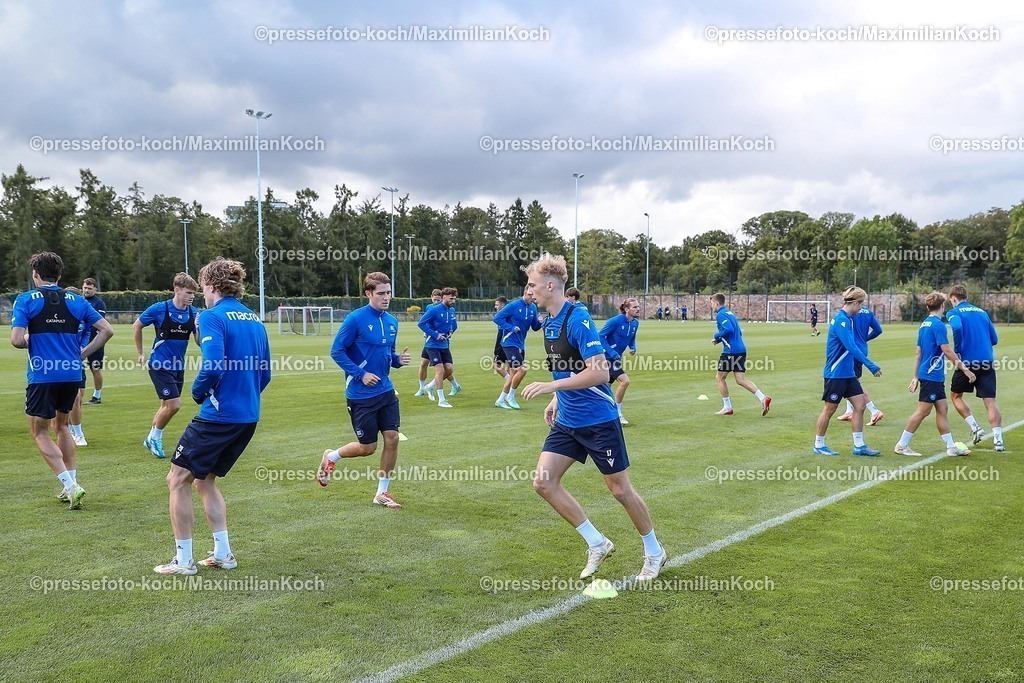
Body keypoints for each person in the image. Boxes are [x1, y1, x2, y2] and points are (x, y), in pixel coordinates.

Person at [521, 254, 666, 582]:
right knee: (544, 483)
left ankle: (655, 552)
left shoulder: (578, 317)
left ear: (549, 285)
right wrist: (558, 398)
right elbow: (567, 366)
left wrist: (551, 386)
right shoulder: (549, 322)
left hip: (598, 420)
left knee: (620, 491)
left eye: (532, 285)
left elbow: (600, 372)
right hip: (568, 420)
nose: (528, 291)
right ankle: (597, 543)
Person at [154, 258, 271, 575]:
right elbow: (266, 374)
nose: (202, 294)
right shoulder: (254, 319)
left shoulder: (211, 317)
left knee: (177, 479)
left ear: (213, 286)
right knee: (205, 480)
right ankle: (223, 554)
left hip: (218, 417)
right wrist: (243, 398)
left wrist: (197, 392)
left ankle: (183, 560)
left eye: (203, 287)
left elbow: (214, 364)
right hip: (247, 416)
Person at [10, 252, 114, 508]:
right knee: (62, 427)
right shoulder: (77, 300)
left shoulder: (25, 300)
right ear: (59, 276)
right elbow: (106, 330)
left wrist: (27, 341)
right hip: (71, 373)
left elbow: (16, 339)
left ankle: (70, 485)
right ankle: (70, 482)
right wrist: (80, 354)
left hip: (43, 375)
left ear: (36, 274)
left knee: (40, 432)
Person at [318, 272, 411, 509]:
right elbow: (337, 351)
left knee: (392, 438)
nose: (386, 297)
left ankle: (382, 492)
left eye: (389, 292)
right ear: (368, 293)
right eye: (381, 293)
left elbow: (388, 354)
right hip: (360, 394)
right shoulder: (355, 319)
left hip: (386, 391)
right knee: (367, 448)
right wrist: (361, 374)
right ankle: (332, 456)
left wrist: (398, 360)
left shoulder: (392, 321)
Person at [894, 292, 975, 457]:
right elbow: (946, 350)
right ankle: (902, 445)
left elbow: (918, 352)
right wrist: (965, 369)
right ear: (943, 306)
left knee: (942, 409)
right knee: (923, 411)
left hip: (931, 375)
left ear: (927, 307)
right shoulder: (938, 325)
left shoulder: (924, 324)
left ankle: (951, 447)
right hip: (931, 375)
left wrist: (915, 376)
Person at [133, 273, 200, 458]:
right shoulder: (159, 309)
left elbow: (199, 340)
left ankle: (151, 437)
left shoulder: (194, 313)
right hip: (159, 364)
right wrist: (140, 353)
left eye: (194, 293)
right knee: (174, 405)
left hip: (178, 366)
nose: (192, 296)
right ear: (177, 290)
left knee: (166, 404)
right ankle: (155, 438)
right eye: (188, 292)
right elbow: (137, 325)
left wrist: (201, 331)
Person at [813, 286, 883, 456]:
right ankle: (819, 445)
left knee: (860, 405)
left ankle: (859, 445)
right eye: (861, 305)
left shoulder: (849, 319)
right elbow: (851, 346)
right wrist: (870, 364)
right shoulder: (841, 320)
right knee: (829, 409)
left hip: (848, 373)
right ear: (856, 303)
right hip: (836, 374)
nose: (861, 309)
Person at [947, 285, 1003, 451]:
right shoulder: (982, 312)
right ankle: (998, 441)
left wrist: (958, 348)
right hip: (986, 361)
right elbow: (994, 339)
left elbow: (956, 327)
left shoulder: (954, 312)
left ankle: (975, 428)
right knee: (990, 401)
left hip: (967, 362)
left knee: (956, 396)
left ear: (953, 298)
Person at [710, 293, 771, 416]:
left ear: (717, 303)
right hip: (741, 349)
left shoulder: (720, 315)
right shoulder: (729, 313)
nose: (711, 306)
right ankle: (763, 398)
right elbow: (735, 332)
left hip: (730, 352)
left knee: (720, 377)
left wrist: (716, 336)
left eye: (711, 303)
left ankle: (727, 407)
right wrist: (720, 340)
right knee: (740, 379)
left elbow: (728, 330)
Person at [836, 295, 884, 425]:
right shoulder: (867, 311)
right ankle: (849, 411)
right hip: (862, 348)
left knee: (853, 381)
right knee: (850, 379)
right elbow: (878, 330)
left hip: (852, 351)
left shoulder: (848, 314)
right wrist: (865, 339)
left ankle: (874, 411)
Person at [493, 286, 542, 409]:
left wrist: (541, 322)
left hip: (520, 344)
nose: (533, 298)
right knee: (523, 369)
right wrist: (510, 328)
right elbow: (497, 318)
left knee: (514, 373)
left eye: (534, 295)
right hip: (509, 342)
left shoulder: (533, 308)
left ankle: (500, 400)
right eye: (531, 295)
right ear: (525, 293)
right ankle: (511, 396)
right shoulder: (514, 305)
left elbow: (535, 327)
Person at [416, 286, 461, 408]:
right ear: (444, 297)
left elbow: (453, 325)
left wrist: (451, 331)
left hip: (444, 345)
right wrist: (435, 334)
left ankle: (429, 387)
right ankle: (441, 400)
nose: (453, 301)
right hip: (432, 344)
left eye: (454, 298)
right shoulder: (434, 310)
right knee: (440, 370)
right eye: (451, 298)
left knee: (449, 369)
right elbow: (421, 323)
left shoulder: (450, 311)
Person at [599, 297, 640, 425]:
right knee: (625, 381)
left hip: (616, 359)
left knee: (605, 387)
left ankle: (601, 413)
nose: (638, 309)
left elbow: (631, 338)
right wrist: (611, 352)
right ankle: (618, 413)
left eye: (638, 306)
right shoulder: (615, 321)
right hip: (606, 357)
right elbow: (600, 336)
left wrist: (633, 347)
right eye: (635, 307)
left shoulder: (635, 323)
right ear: (626, 309)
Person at [63, 286, 90, 447]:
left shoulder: (81, 316)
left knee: (78, 399)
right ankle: (77, 433)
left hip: (77, 360)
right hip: (64, 361)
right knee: (75, 397)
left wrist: (82, 347)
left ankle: (71, 429)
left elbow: (87, 332)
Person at [81, 278, 107, 404]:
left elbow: (99, 324)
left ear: (95, 289)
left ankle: (97, 396)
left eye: (90, 288)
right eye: (85, 287)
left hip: (94, 341)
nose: (86, 290)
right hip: (79, 341)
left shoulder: (99, 303)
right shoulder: (79, 300)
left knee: (94, 368)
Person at [414, 289, 442, 399]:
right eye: (435, 300)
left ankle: (454, 385)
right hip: (430, 341)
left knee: (444, 367)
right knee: (423, 363)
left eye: (439, 300)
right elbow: (425, 323)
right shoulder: (429, 308)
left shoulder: (446, 309)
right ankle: (421, 388)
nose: (436, 302)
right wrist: (427, 333)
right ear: (431, 297)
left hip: (440, 341)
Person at [492, 296, 511, 388]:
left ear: (503, 305)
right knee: (508, 364)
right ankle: (509, 386)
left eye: (497, 305)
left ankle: (510, 380)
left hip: (502, 339)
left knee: (496, 365)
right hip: (510, 340)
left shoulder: (503, 314)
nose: (495, 307)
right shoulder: (510, 313)